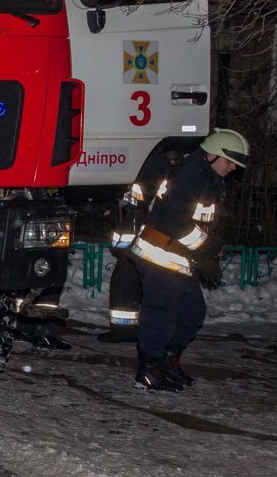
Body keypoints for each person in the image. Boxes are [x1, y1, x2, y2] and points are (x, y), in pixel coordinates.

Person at [127, 128, 248, 392]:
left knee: (192, 313)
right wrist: (210, 249)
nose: (232, 168)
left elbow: (199, 224)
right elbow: (178, 224)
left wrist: (205, 255)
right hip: (156, 255)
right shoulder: (188, 177)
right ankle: (147, 371)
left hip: (178, 258)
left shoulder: (210, 179)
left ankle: (168, 362)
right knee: (161, 314)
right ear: (212, 155)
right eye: (230, 161)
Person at [100, 148, 178, 343]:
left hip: (138, 233)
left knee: (127, 280)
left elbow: (141, 202)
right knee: (131, 280)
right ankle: (128, 329)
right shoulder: (155, 163)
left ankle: (125, 330)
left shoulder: (148, 164)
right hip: (139, 231)